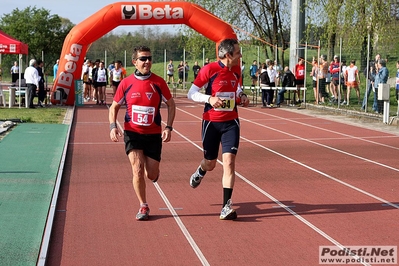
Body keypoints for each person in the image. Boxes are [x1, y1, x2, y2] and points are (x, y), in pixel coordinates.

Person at [108, 45, 176, 221]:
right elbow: (114, 106)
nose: (147, 62)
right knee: (137, 170)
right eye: (143, 59)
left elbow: (171, 104)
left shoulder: (159, 82)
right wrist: (112, 126)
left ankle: (153, 172)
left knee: (151, 174)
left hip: (153, 134)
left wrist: (168, 127)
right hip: (133, 132)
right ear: (134, 62)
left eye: (149, 58)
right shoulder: (126, 83)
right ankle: (143, 205)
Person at [187, 38, 249, 220]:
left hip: (231, 123)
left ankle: (226, 206)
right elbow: (192, 93)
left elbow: (235, 87)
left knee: (229, 162)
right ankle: (200, 171)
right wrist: (210, 99)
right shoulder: (209, 70)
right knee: (210, 163)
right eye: (238, 53)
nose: (240, 56)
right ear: (228, 55)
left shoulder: (236, 70)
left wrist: (242, 95)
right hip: (212, 123)